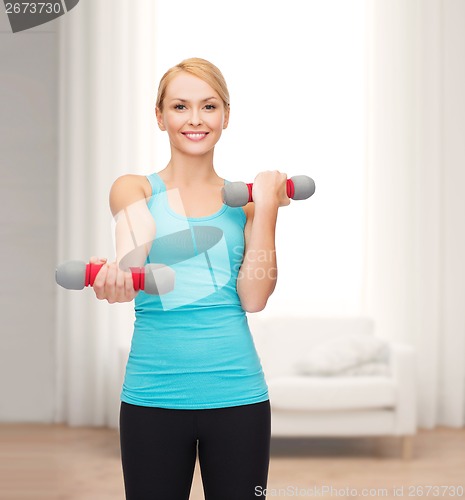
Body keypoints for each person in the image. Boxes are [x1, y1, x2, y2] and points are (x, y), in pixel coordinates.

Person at [90, 57, 290, 500]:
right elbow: (135, 236)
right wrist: (125, 270)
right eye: (180, 107)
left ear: (226, 116)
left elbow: (254, 297)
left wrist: (269, 209)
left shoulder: (248, 204)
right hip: (151, 398)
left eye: (209, 106)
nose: (195, 119)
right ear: (159, 116)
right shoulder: (134, 187)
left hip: (239, 397)